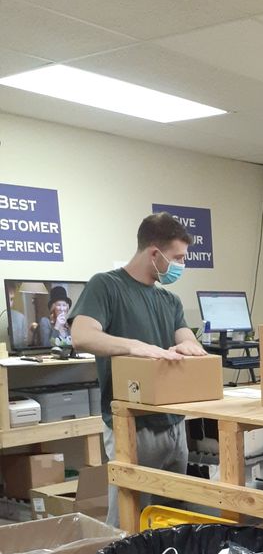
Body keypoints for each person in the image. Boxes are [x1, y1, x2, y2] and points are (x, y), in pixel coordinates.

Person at [69, 212, 208, 526]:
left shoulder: (168, 300)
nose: (181, 266)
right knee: (129, 521)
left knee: (170, 518)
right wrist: (135, 346)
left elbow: (183, 335)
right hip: (132, 425)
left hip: (173, 425)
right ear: (154, 254)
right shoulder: (106, 286)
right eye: (178, 258)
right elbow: (82, 335)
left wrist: (190, 347)